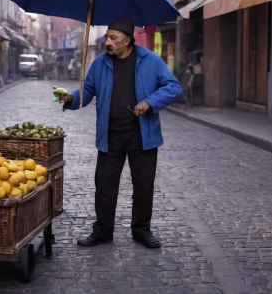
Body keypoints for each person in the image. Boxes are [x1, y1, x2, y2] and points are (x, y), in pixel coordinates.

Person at [57, 17, 182, 249]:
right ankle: (103, 231)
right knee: (104, 186)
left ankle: (142, 231)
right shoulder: (100, 63)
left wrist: (150, 102)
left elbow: (173, 86)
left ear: (127, 39)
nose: (108, 42)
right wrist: (71, 97)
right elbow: (88, 91)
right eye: (107, 37)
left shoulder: (151, 60)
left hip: (142, 135)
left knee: (143, 186)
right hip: (110, 135)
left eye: (113, 38)